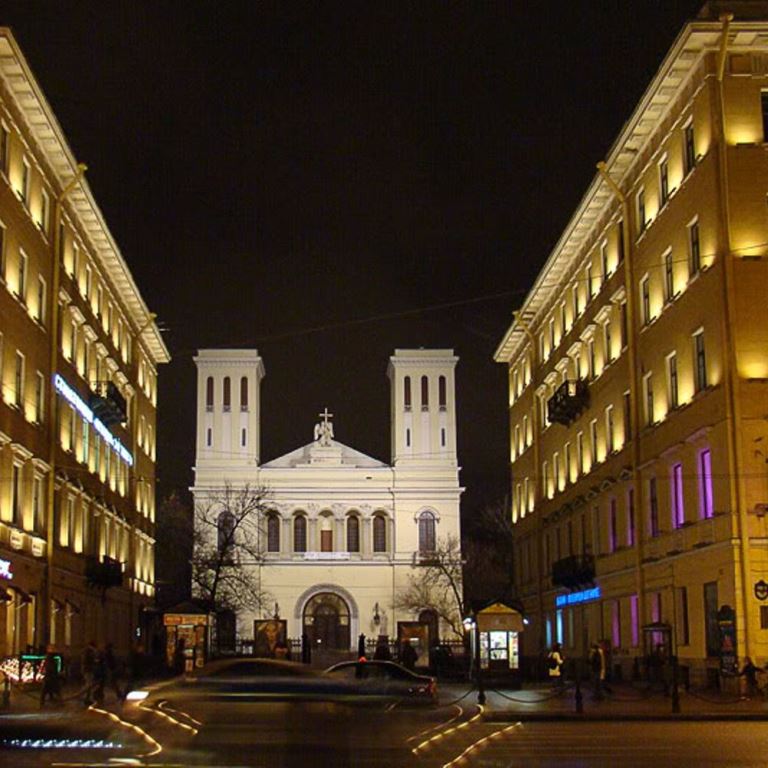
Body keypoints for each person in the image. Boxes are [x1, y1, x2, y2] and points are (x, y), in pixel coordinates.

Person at [81, 640, 97, 706]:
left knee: (89, 683)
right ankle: (86, 698)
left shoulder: (86, 651)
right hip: (88, 669)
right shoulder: (89, 651)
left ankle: (87, 697)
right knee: (89, 684)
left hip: (87, 669)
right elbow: (90, 659)